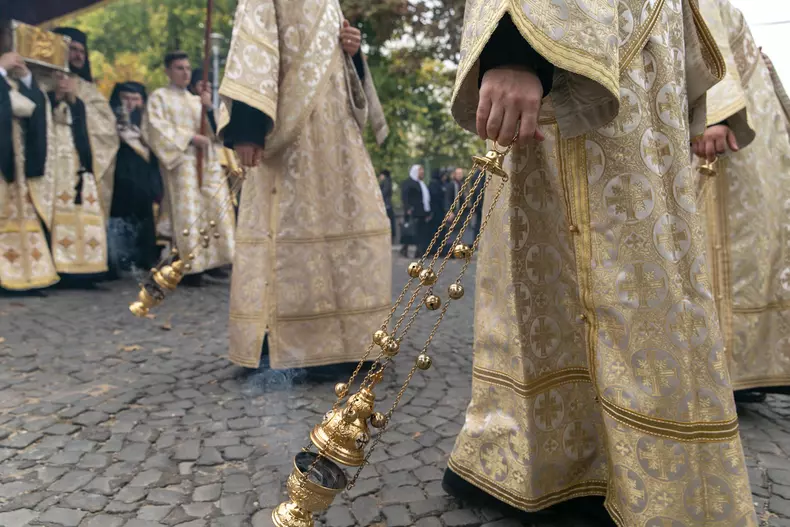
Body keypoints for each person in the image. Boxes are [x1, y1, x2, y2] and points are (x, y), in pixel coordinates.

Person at [441, 4, 757, 526]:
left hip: (641, 74)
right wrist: (514, 49)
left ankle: (624, 466)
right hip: (567, 67)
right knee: (560, 266)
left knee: (648, 270)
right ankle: (553, 461)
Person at [217, 3, 391, 371]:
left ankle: (350, 344)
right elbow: (253, 48)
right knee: (287, 236)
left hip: (338, 140)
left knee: (349, 231)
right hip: (290, 139)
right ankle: (282, 346)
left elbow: (343, 78)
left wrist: (353, 53)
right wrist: (247, 129)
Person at [694, 0, 790, 403]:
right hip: (747, 132)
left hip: (742, 136)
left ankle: (737, 366)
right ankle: (734, 366)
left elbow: (707, 36)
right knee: (734, 247)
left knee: (740, 247)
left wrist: (715, 116)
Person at [146, 51, 235, 286]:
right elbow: (156, 128)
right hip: (181, 162)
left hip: (205, 162)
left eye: (187, 68)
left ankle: (214, 260)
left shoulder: (198, 101)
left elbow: (217, 132)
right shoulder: (159, 97)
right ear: (168, 71)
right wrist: (189, 138)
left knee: (213, 208)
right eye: (179, 68)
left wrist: (207, 108)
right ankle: (190, 266)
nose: (185, 73)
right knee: (189, 214)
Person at [0, 51, 58, 291]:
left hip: (17, 162)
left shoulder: (11, 79)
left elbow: (36, 109)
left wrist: (25, 78)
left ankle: (27, 275)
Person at [46, 70, 110, 281]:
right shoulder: (46, 98)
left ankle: (86, 270)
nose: (64, 82)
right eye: (60, 77)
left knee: (84, 216)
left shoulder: (79, 103)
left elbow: (82, 134)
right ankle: (62, 268)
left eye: (67, 78)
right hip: (54, 166)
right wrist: (55, 98)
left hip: (77, 166)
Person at [52, 28, 118, 219]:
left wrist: (76, 100)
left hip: (79, 165)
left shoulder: (88, 89)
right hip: (51, 165)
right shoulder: (42, 80)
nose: (78, 55)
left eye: (82, 51)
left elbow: (107, 131)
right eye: (73, 49)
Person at [107, 81, 162, 276]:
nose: (130, 104)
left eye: (135, 99)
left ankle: (143, 259)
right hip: (119, 178)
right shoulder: (109, 121)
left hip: (144, 179)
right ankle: (117, 262)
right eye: (126, 98)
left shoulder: (149, 123)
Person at [400, 164, 431, 258]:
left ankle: (419, 251)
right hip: (412, 211)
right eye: (420, 171)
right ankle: (406, 249)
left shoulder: (421, 183)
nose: (422, 173)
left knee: (420, 232)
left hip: (421, 211)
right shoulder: (408, 183)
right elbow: (405, 197)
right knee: (412, 231)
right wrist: (407, 208)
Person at [378, 169, 396, 241]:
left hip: (386, 205)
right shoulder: (389, 182)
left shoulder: (386, 182)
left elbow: (383, 193)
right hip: (388, 204)